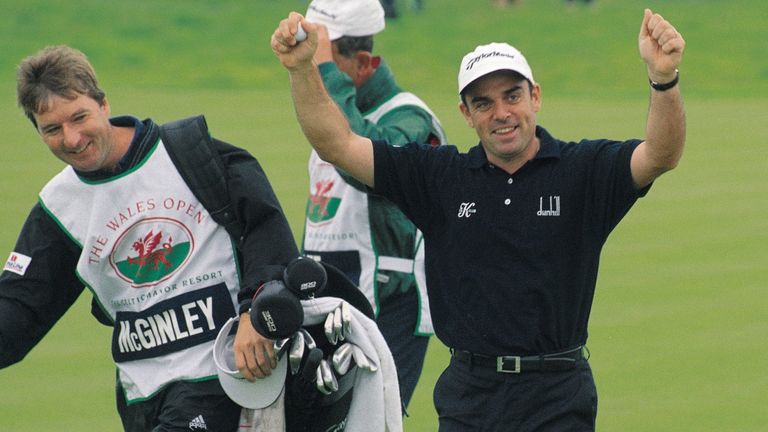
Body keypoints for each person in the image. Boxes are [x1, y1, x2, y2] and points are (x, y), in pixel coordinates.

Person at [272, 7, 685, 431]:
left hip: (557, 397)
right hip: (469, 398)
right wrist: (302, 69)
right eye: (483, 103)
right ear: (466, 115)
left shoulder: (582, 170)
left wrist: (664, 79)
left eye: (512, 95)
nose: (501, 113)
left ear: (535, 97)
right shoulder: (440, 177)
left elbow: (660, 154)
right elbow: (337, 145)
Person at [2, 45, 299, 431]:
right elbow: (19, 309)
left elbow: (266, 226)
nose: (72, 139)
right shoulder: (59, 208)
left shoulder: (189, 152)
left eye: (79, 117)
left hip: (221, 374)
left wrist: (254, 313)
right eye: (52, 130)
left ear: (103, 104)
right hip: (141, 395)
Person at [300, 0, 446, 409]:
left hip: (390, 307)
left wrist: (325, 76)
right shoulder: (329, 116)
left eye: (325, 61)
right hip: (324, 303)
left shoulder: (411, 118)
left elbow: (360, 165)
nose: (315, 72)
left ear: (364, 63)